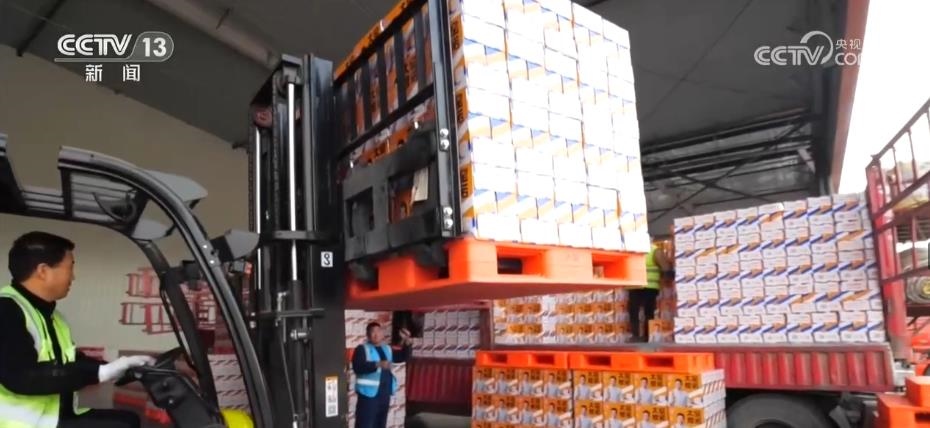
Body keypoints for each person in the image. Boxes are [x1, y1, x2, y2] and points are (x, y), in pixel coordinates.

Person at [0, 232, 156, 428]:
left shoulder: (51, 315)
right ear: (43, 271)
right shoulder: (6, 310)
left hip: (54, 416)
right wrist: (101, 372)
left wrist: (117, 368)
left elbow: (70, 360)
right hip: (24, 424)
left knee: (128, 420)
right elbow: (22, 377)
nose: (73, 276)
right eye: (70, 267)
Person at [351, 321, 412, 428]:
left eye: (378, 331)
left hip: (384, 395)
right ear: (368, 335)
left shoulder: (387, 348)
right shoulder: (362, 349)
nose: (376, 334)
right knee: (364, 424)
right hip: (368, 396)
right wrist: (377, 364)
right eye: (373, 332)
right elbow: (358, 367)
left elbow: (403, 357)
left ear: (382, 333)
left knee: (380, 424)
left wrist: (407, 343)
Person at [629, 241, 670, 341]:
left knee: (636, 312)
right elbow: (665, 267)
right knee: (647, 312)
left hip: (641, 286)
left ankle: (638, 336)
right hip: (647, 286)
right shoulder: (654, 250)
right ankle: (645, 336)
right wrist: (666, 279)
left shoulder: (632, 249)